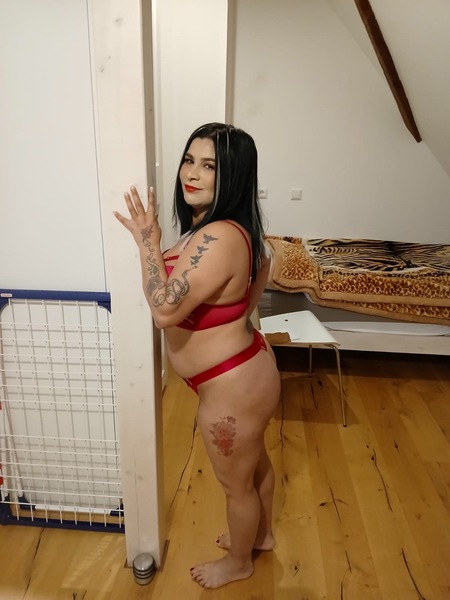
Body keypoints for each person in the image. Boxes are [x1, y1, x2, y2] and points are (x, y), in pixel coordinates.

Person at [114, 122, 280, 589]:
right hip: (241, 373)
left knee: (235, 484)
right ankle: (261, 536)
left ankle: (240, 562)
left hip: (233, 385)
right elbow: (259, 273)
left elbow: (164, 311)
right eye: (190, 160)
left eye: (210, 166)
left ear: (234, 176)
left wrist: (147, 243)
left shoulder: (220, 236)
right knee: (254, 465)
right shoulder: (214, 229)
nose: (192, 173)